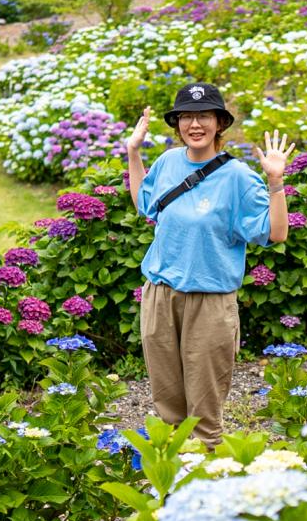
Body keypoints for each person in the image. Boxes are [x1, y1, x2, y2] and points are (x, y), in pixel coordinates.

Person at [125, 82, 292, 445]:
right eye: (186, 116)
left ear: (220, 123)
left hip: (210, 302)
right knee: (169, 409)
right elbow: (145, 204)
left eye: (203, 116)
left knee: (203, 417)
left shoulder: (238, 178)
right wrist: (133, 152)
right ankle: (169, 489)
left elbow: (276, 233)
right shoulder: (169, 162)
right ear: (177, 124)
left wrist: (275, 181)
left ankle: (207, 489)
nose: (194, 124)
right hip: (160, 296)